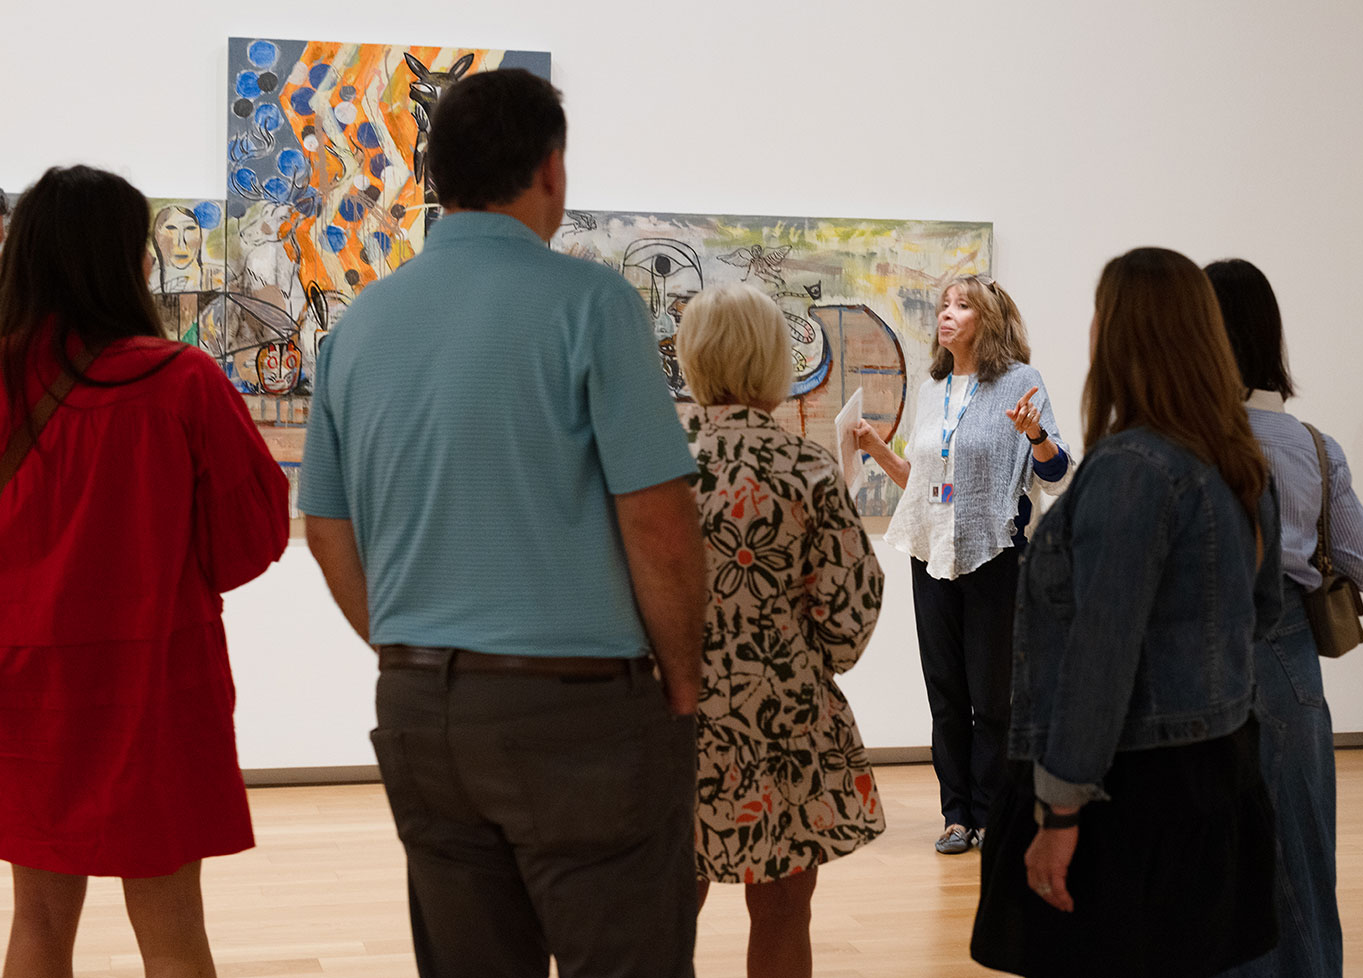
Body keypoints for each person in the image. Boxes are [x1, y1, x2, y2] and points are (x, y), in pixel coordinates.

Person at [299, 70, 707, 978]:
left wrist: (414, 645)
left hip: (417, 708)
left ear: (436, 174)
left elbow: (326, 527)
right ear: (551, 171)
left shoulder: (357, 328)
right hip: (578, 712)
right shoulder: (592, 304)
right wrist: (682, 686)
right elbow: (658, 524)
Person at [0, 166, 289, 977]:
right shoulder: (180, 382)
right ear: (130, 257)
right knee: (170, 924)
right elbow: (250, 538)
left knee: (39, 919)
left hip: (23, 681)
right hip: (156, 678)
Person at [969, 247, 1283, 978]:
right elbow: (1260, 616)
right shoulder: (1237, 460)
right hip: (1218, 774)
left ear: (1121, 333)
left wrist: (1060, 812)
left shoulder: (1133, 469)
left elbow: (1099, 655)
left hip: (1128, 800)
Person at [678, 282, 888, 978]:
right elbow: (851, 611)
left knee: (662, 916)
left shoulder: (655, 468)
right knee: (781, 914)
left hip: (674, 723)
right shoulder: (807, 468)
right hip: (785, 724)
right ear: (775, 360)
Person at [851, 276, 1071, 855]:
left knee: (994, 695)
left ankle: (992, 813)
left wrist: (1036, 436)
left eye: (961, 306)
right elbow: (925, 486)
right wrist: (877, 451)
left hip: (994, 553)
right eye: (944, 305)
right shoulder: (933, 387)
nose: (946, 314)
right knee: (945, 690)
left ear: (988, 321)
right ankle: (955, 816)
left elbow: (1055, 473)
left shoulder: (1021, 383)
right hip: (932, 554)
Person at [1205, 257, 1363, 978]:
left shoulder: (1185, 445)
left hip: (1205, 667)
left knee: (1219, 859)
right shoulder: (1313, 446)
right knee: (1303, 859)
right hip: (1291, 664)